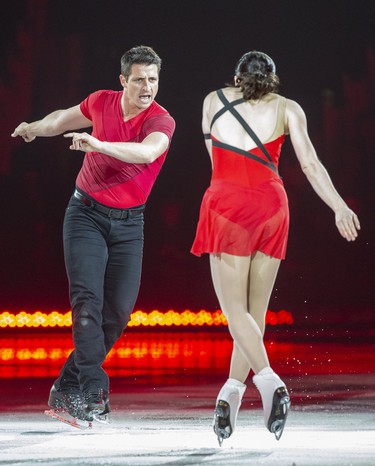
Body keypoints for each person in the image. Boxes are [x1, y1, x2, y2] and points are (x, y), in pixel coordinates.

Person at [191, 51, 360, 444]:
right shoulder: (290, 108)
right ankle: (230, 394)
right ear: (274, 79)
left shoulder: (213, 100)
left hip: (227, 203)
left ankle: (270, 383)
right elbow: (311, 164)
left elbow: (214, 157)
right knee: (254, 313)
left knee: (236, 313)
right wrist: (339, 206)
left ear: (236, 77)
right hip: (271, 204)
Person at [11, 45, 175, 423]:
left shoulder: (161, 120)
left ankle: (65, 385)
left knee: (116, 316)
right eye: (139, 80)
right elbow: (62, 120)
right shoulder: (101, 101)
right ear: (123, 81)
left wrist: (98, 145)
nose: (146, 87)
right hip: (84, 215)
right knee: (87, 305)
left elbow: (148, 153)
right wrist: (34, 128)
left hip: (130, 225)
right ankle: (93, 393)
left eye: (153, 80)